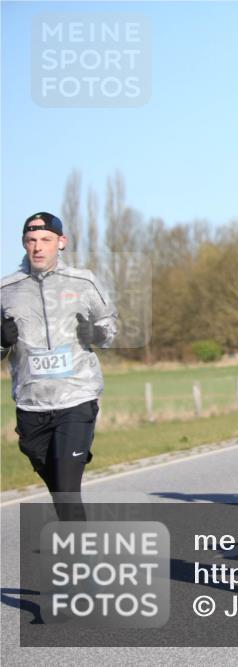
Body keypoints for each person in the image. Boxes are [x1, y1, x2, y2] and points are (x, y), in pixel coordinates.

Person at [1, 212, 118, 521]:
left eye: (46, 240)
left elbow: (110, 329)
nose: (38, 247)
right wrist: (1, 342)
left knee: (67, 490)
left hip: (76, 400)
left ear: (61, 242)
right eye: (32, 240)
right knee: (61, 495)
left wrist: (96, 332)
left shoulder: (83, 281)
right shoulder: (6, 291)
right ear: (24, 244)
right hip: (31, 406)